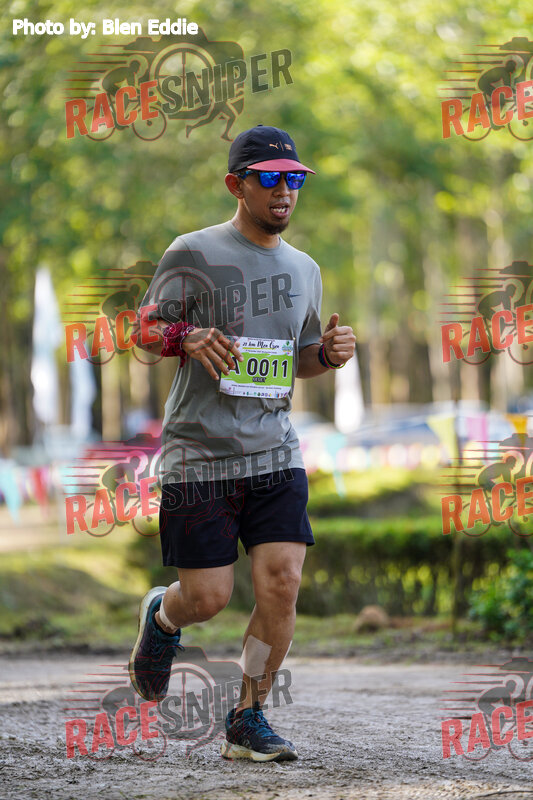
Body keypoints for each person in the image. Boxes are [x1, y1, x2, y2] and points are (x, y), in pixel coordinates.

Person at [129, 124, 356, 761]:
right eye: (271, 179)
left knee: (282, 582)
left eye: (295, 179)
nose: (285, 191)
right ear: (237, 184)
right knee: (208, 597)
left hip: (275, 451)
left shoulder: (305, 269)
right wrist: (185, 338)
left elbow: (297, 359)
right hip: (199, 453)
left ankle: (247, 716)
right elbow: (143, 330)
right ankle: (164, 616)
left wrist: (328, 355)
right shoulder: (193, 252)